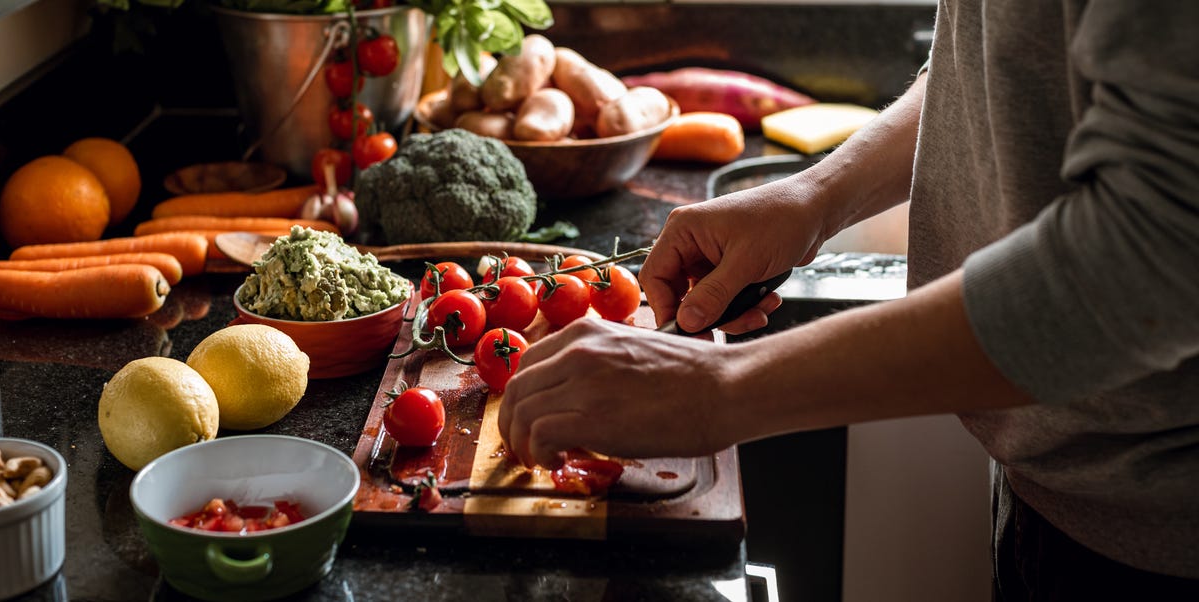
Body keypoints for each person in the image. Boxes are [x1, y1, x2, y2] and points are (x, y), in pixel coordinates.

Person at [499, 1, 1199, 599]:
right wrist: (816, 196)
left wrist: (724, 388)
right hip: (1065, 484)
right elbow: (1000, 68)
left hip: (1159, 542)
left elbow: (1158, 254)